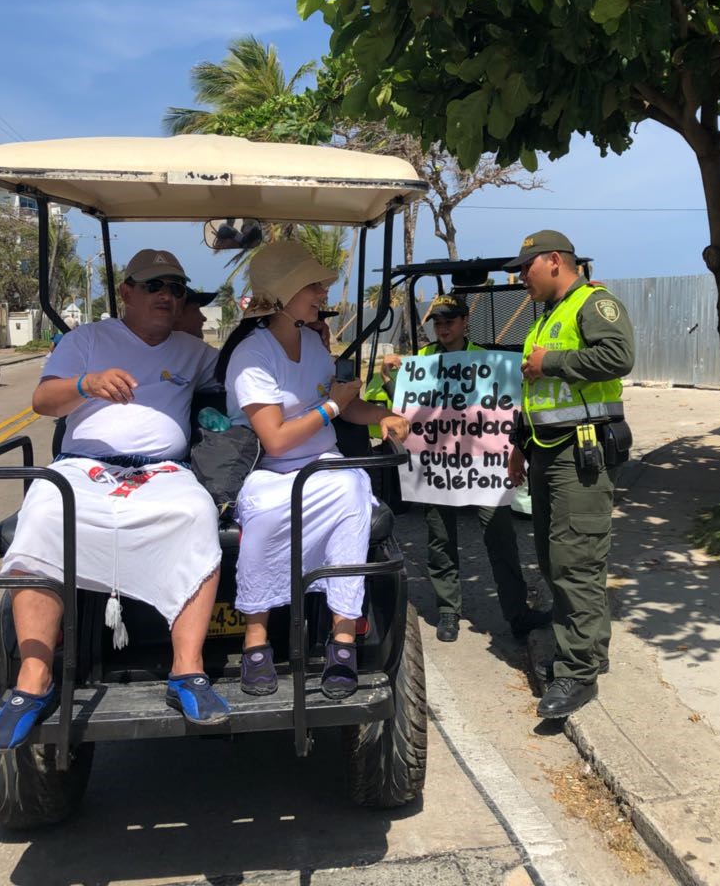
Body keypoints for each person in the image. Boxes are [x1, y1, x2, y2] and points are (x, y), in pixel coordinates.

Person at [0, 248, 229, 752]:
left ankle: (188, 670)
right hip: (85, 466)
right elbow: (43, 400)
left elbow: (246, 372)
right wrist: (84, 383)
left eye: (176, 288)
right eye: (155, 285)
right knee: (45, 510)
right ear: (128, 292)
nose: (167, 295)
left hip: (161, 471)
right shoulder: (86, 339)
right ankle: (33, 679)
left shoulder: (193, 351)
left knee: (196, 512)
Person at [218, 239, 409, 700]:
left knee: (351, 493)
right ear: (283, 294)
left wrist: (380, 414)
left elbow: (346, 409)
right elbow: (278, 438)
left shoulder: (312, 344)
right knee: (263, 513)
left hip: (322, 465)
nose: (323, 293)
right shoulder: (252, 356)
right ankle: (256, 640)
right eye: (313, 286)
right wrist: (331, 405)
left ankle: (342, 638)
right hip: (271, 468)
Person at [504, 231, 635, 719]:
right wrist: (519, 446)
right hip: (544, 451)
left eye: (526, 268)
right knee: (556, 556)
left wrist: (552, 362)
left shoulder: (592, 304)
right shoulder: (546, 317)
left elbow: (619, 357)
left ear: (555, 261)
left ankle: (577, 673)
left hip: (581, 453)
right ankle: (589, 650)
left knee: (574, 561)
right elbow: (536, 393)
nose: (521, 278)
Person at [373, 294, 550, 644]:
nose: (443, 327)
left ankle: (517, 613)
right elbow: (401, 409)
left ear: (465, 321)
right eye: (438, 322)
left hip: (484, 467)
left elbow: (508, 407)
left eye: (449, 321)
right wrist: (389, 376)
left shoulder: (487, 360)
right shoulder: (420, 361)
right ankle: (448, 611)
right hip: (437, 467)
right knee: (440, 540)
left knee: (501, 541)